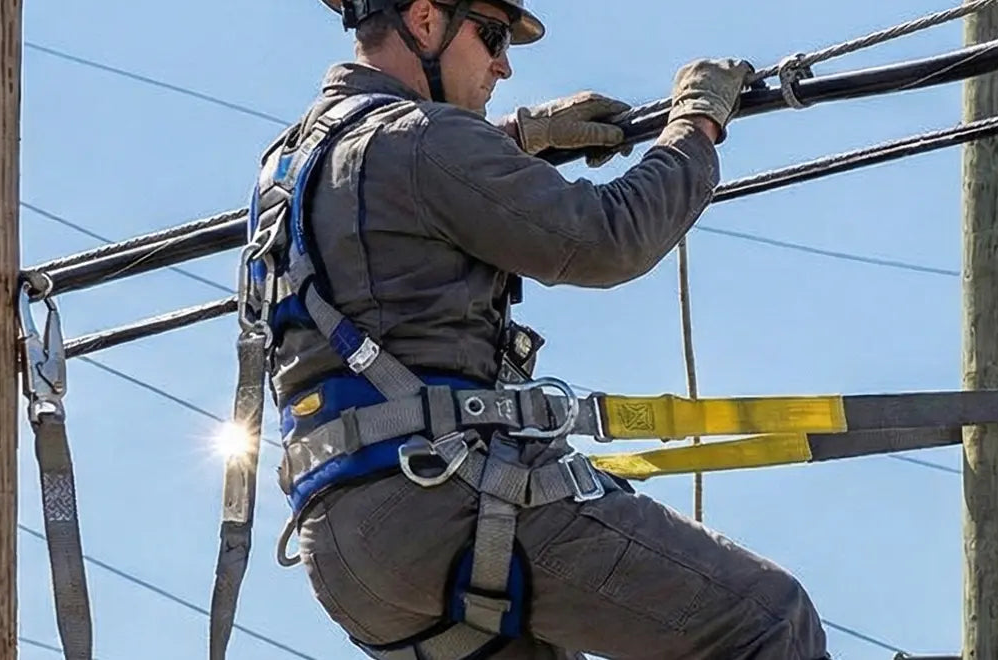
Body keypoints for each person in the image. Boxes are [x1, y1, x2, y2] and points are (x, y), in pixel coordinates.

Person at [240, 0, 830, 657]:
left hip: (348, 546)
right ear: (425, 19)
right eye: (490, 34)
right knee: (768, 619)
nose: (503, 63)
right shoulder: (422, 139)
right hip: (444, 497)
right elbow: (609, 240)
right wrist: (695, 125)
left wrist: (517, 136)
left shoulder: (287, 165)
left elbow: (393, 187)